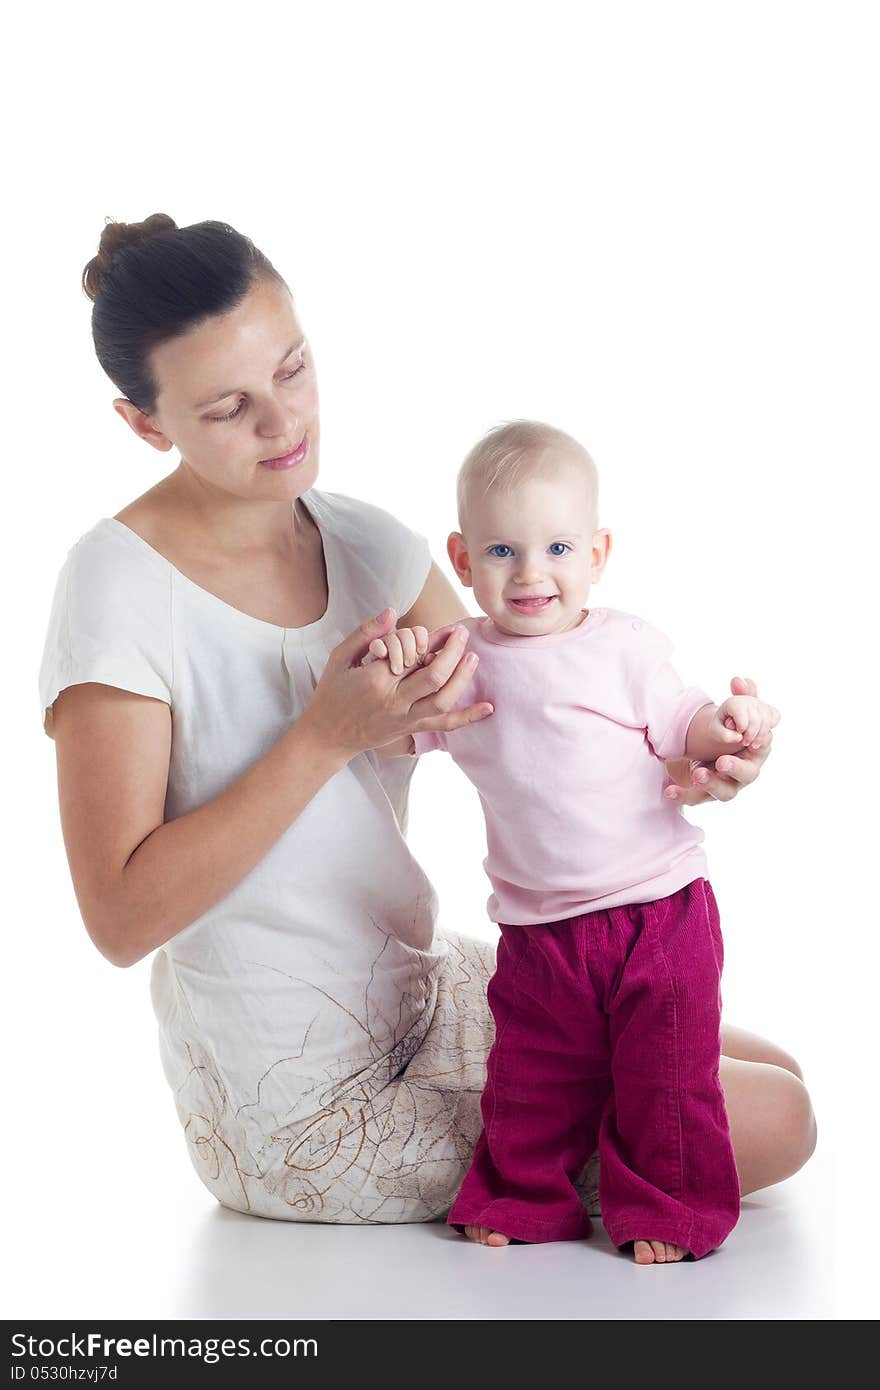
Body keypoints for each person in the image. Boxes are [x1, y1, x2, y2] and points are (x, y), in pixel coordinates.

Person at [38, 214, 815, 1233]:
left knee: (770, 1064)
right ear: (146, 425)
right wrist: (322, 735)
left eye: (294, 369)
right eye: (230, 408)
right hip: (304, 1093)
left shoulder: (369, 543)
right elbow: (118, 918)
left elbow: (540, 709)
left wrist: (689, 752)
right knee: (781, 1120)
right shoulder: (117, 587)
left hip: (420, 989)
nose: (285, 426)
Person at [372, 421, 782, 1262]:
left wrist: (729, 728)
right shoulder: (463, 662)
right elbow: (393, 736)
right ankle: (526, 1196)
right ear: (461, 559)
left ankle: (668, 1209)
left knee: (665, 1079)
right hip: (538, 931)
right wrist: (393, 672)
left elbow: (687, 724)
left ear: (596, 553)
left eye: (558, 547)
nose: (531, 574)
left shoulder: (624, 647)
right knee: (533, 1078)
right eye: (501, 551)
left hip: (656, 912)